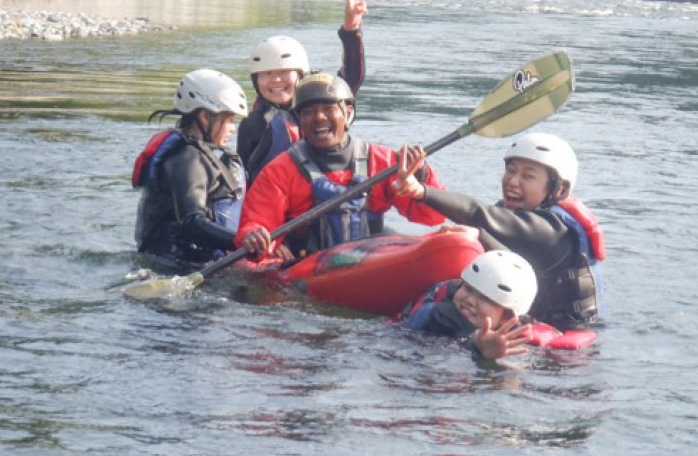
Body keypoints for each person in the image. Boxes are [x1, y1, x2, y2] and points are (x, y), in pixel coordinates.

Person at [394, 132, 605, 330]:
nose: (513, 181)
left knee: (441, 315)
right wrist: (422, 174)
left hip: (556, 335)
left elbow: (478, 213)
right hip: (524, 315)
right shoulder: (514, 213)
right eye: (511, 171)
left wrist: (421, 191)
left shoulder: (552, 230)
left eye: (528, 176)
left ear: (559, 189)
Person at [236, 72, 446, 260]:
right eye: (308, 111)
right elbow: (257, 222)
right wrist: (254, 236)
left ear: (348, 113)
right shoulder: (280, 171)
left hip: (370, 260)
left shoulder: (382, 162)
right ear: (299, 119)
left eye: (329, 108)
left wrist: (422, 175)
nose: (319, 117)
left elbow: (431, 216)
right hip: (306, 268)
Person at [237, 0, 367, 187]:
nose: (276, 80)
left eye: (283, 72)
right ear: (256, 80)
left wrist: (351, 32)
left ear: (301, 75)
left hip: (323, 194)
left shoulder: (319, 109)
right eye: (267, 74)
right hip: (275, 200)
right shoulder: (254, 124)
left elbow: (349, 79)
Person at [132, 68, 248, 268]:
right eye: (228, 119)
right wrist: (240, 241)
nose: (233, 128)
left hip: (180, 263)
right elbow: (192, 221)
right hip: (174, 267)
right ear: (205, 116)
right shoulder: (187, 158)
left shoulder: (197, 153)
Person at [398, 250, 537, 360]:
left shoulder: (522, 345)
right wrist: (476, 345)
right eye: (468, 288)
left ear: (507, 317)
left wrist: (488, 358)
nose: (469, 300)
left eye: (485, 298)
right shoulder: (434, 314)